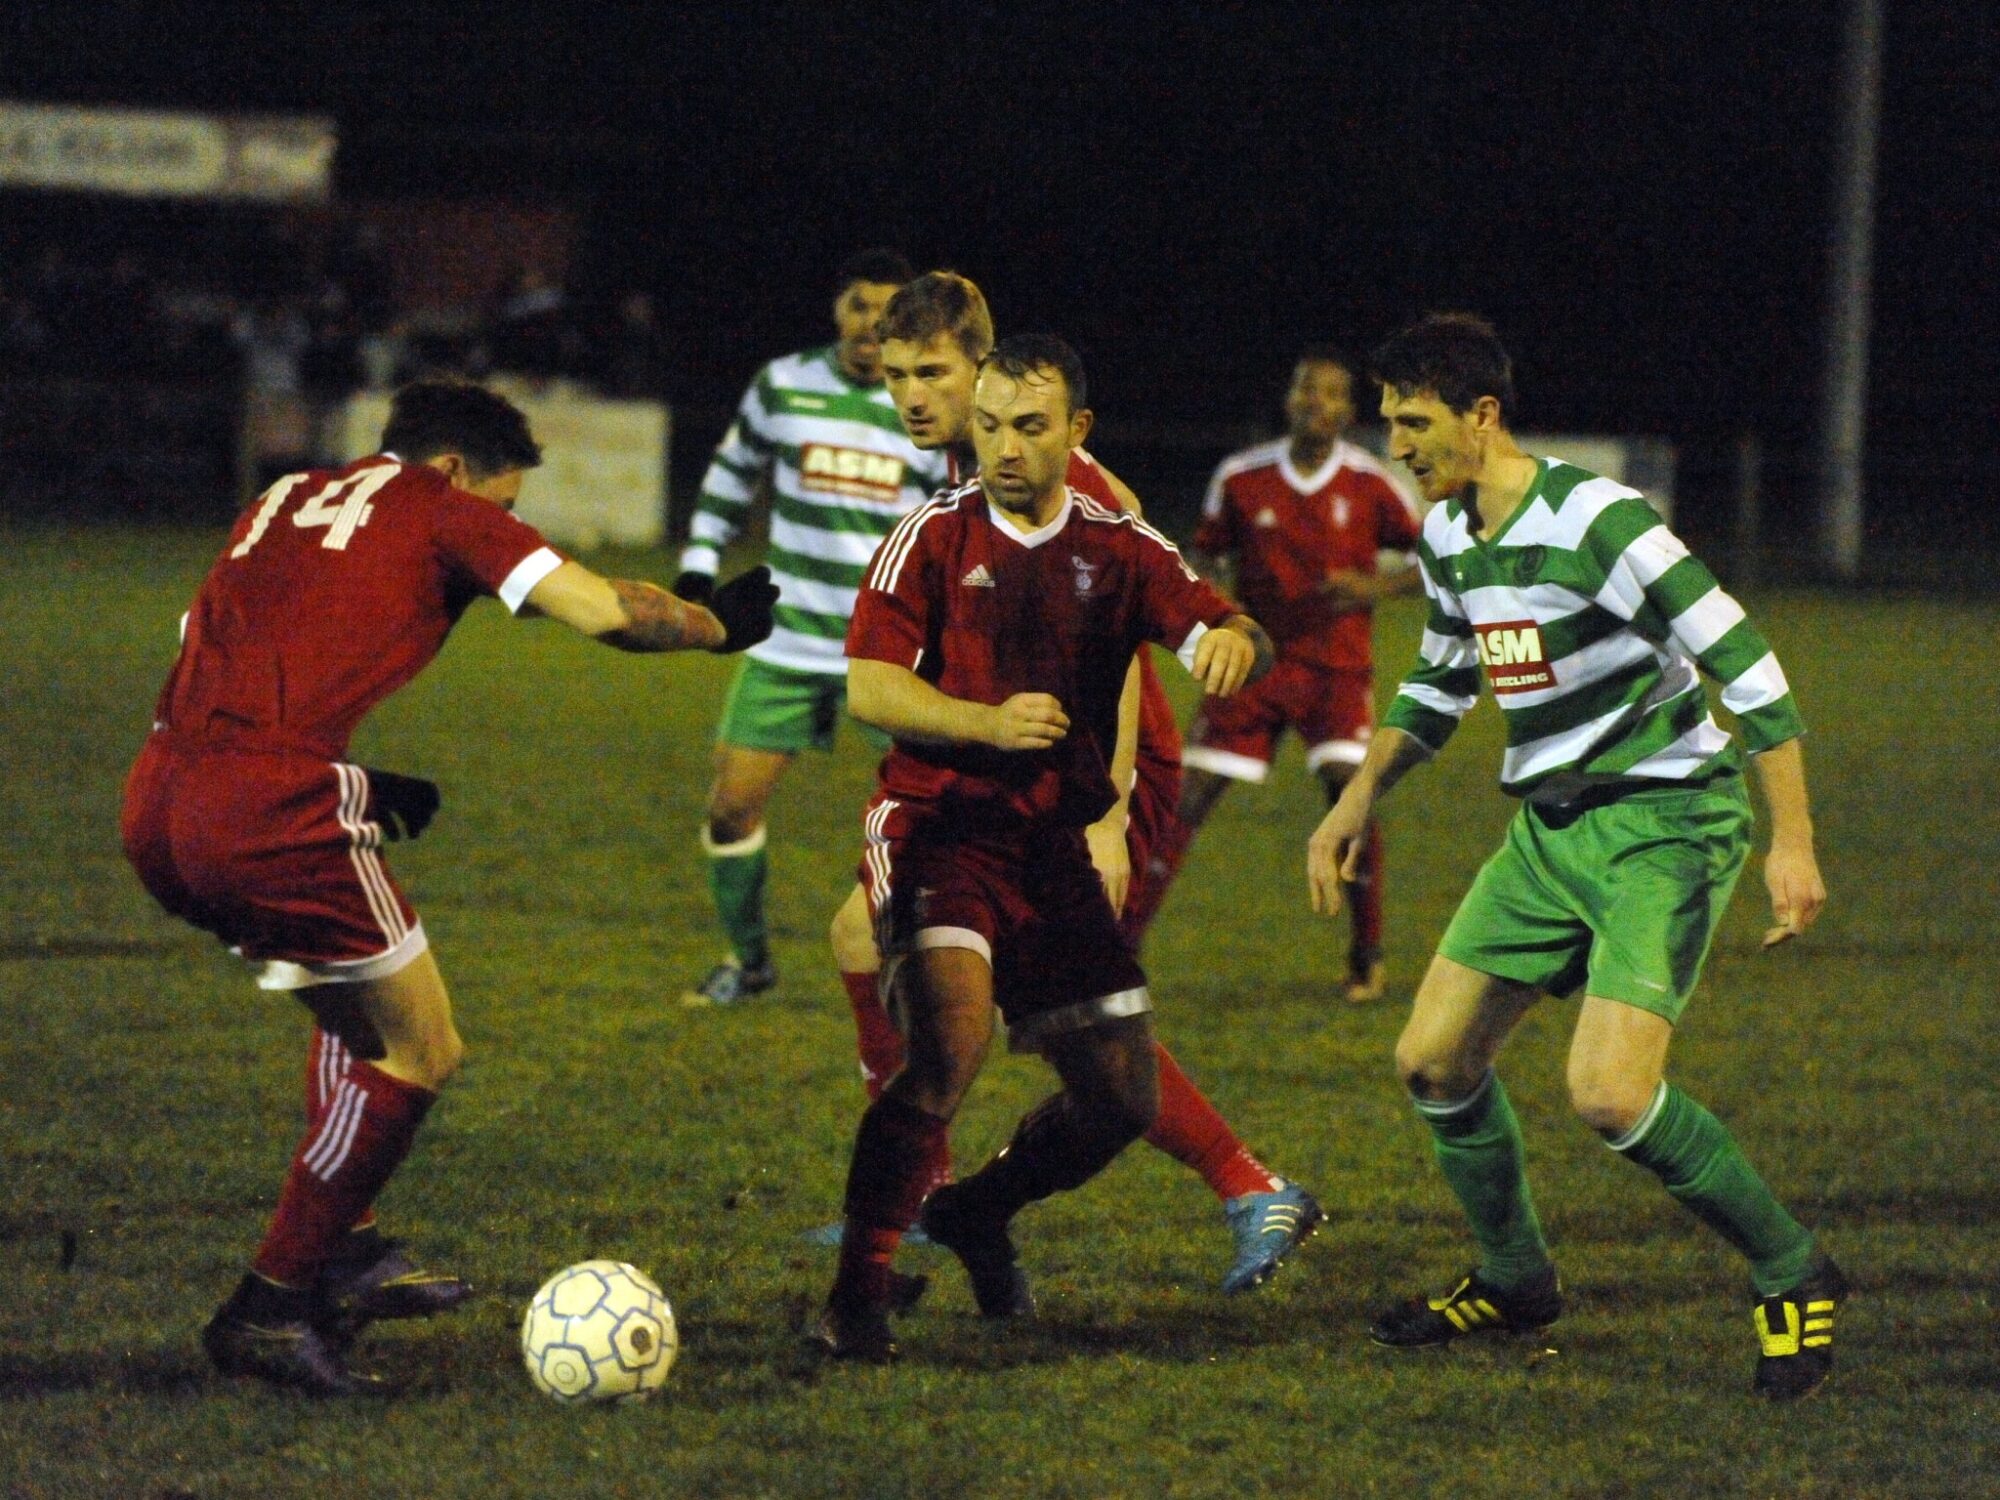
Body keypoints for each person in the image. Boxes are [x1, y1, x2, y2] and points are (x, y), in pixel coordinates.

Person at [121, 379, 778, 1395]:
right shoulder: (439, 507)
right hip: (263, 814)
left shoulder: (285, 497)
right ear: (457, 469)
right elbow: (607, 610)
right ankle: (272, 1298)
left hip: (161, 794)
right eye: (504, 506)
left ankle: (348, 1245)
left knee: (351, 1014)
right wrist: (712, 627)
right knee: (421, 1045)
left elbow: (210, 641)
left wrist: (334, 774)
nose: (500, 528)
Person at [1306, 313, 1843, 1400]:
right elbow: (1440, 681)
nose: (1395, 447)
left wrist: (1790, 840)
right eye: (1389, 425)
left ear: (1481, 415)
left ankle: (1792, 1269)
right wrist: (1354, 798)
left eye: (1413, 424)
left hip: (1663, 825)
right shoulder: (1448, 536)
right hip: (1548, 834)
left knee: (1604, 1094)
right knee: (1431, 1060)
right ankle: (1514, 1281)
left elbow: (1745, 665)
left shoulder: (1600, 520)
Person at [818, 272, 1321, 1295]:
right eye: (896, 376)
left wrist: (1113, 806)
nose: (909, 396)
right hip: (1026, 764)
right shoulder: (976, 477)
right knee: (877, 948)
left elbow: (1125, 649)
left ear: (986, 368)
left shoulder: (1073, 487)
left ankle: (1243, 1180)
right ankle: (928, 1197)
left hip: (1089, 770)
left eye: (932, 374)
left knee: (1076, 1028)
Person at [673, 249, 951, 1006]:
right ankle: (750, 960)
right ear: (838, 310)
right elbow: (732, 473)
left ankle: (931, 970)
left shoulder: (925, 405)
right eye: (860, 305)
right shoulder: (784, 384)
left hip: (888, 652)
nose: (873, 323)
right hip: (786, 644)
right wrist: (700, 563)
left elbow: (956, 520)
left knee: (937, 817)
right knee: (730, 808)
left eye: (892, 312)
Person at [1124, 349, 1423, 1004]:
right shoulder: (1240, 478)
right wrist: (1215, 618)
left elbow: (1435, 561)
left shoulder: (1373, 484)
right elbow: (1203, 556)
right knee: (1184, 798)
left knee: (1351, 797)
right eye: (1305, 391)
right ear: (1288, 401)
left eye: (1332, 394)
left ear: (1349, 410)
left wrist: (1372, 584)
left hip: (1336, 671)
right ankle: (1121, 952)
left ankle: (1366, 954)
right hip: (1255, 667)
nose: (1317, 403)